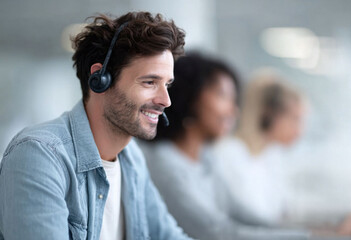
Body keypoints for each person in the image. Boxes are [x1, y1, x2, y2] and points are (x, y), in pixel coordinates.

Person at [0, 12, 191, 240]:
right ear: (100, 79)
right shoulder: (39, 156)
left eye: (166, 84)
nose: (166, 100)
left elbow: (168, 235)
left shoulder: (131, 158)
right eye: (150, 82)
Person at [139, 54, 311, 240]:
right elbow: (216, 233)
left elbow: (243, 216)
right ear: (191, 96)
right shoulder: (164, 163)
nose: (233, 110)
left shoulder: (206, 157)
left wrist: (316, 234)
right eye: (223, 96)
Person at [213, 69, 306, 226]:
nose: (300, 130)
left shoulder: (271, 155)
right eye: (295, 119)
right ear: (268, 114)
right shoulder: (230, 154)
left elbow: (283, 212)